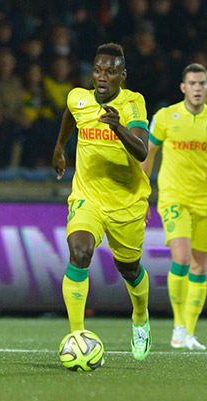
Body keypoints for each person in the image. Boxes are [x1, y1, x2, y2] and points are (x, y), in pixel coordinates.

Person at [52, 43, 152, 361]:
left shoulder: (133, 103)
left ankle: (140, 318)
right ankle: (77, 333)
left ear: (122, 75)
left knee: (129, 268)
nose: (102, 76)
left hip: (127, 203)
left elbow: (142, 152)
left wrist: (118, 126)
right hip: (87, 197)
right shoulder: (79, 97)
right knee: (79, 252)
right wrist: (59, 148)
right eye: (98, 70)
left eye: (110, 71)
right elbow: (71, 112)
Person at [141, 63, 207, 350]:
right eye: (192, 83)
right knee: (181, 258)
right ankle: (178, 326)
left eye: (202, 83)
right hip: (173, 197)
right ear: (183, 88)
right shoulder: (165, 117)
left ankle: (190, 332)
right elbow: (148, 156)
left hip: (205, 200)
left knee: (200, 266)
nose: (197, 88)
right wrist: (142, 195)